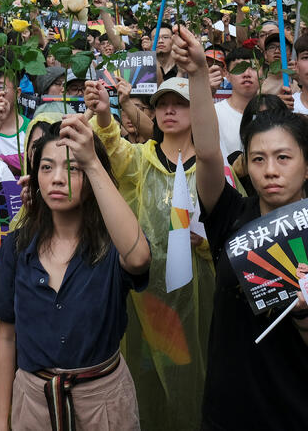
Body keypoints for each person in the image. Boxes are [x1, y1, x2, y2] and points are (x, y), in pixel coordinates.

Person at [170, 24, 308, 430]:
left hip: (302, 410)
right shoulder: (230, 213)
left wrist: (303, 313)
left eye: (283, 157)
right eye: (258, 159)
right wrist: (196, 75)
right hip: (231, 406)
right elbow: (208, 154)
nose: (270, 171)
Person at [84, 33, 215, 431]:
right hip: (144, 298)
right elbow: (113, 152)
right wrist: (106, 116)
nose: (170, 112)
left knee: (197, 374)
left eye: (180, 104)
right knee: (145, 379)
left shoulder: (212, 171)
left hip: (199, 297)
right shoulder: (141, 158)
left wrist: (205, 243)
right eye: (163, 105)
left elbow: (233, 231)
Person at [0, 116, 151, 430]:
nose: (57, 179)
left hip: (103, 404)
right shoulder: (17, 246)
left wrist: (90, 160)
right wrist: (0, 421)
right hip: (33, 404)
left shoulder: (111, 243)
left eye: (72, 168)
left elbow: (139, 258)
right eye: (46, 167)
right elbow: (7, 337)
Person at [215, 47, 261, 157]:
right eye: (239, 68)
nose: (247, 74)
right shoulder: (214, 113)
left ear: (263, 74)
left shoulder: (273, 113)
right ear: (227, 74)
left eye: (254, 67)